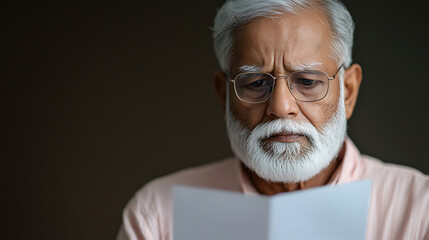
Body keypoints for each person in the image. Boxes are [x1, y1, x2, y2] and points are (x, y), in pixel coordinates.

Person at [117, 0, 429, 239]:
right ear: (225, 96)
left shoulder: (418, 211)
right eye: (255, 83)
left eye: (307, 82)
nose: (280, 107)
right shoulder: (158, 216)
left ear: (347, 91)